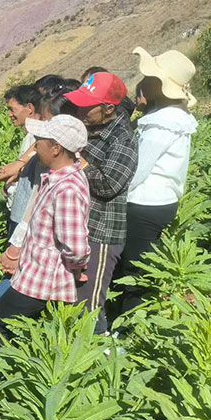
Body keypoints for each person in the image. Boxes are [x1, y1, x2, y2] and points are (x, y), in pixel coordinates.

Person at [0, 115, 90, 353]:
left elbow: (77, 247)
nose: (35, 145)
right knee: (15, 331)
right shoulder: (57, 178)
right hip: (35, 274)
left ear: (56, 148)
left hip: (43, 280)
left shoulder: (67, 189)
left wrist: (76, 266)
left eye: (39, 140)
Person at [113, 47, 198, 319]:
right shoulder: (175, 118)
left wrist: (112, 194)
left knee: (135, 269)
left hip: (144, 203)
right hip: (162, 200)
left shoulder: (161, 123)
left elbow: (138, 170)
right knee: (142, 263)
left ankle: (128, 329)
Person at [64, 72, 137, 334]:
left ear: (109, 108)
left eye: (88, 105)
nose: (80, 109)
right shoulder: (94, 128)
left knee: (90, 301)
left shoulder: (122, 139)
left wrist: (77, 161)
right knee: (74, 295)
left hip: (102, 231)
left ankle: (95, 354)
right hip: (84, 226)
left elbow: (109, 184)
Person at [0, 85, 42, 237]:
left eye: (12, 109)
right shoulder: (30, 136)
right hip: (20, 211)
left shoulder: (39, 139)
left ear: (29, 108)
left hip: (26, 217)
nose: (9, 115)